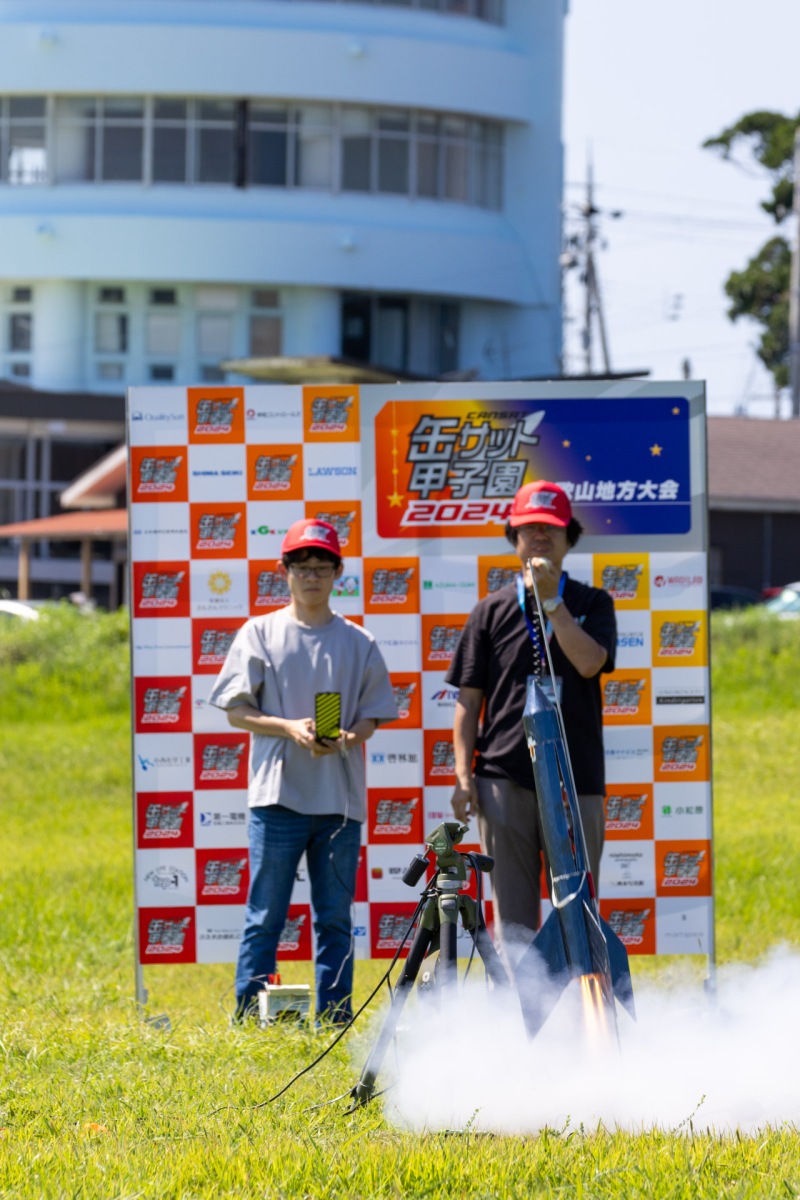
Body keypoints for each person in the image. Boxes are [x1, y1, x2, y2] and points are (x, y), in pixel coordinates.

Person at [209, 518, 397, 1022]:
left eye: (321, 566)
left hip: (339, 800)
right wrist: (288, 727)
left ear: (338, 572)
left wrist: (346, 737)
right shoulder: (260, 632)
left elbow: (374, 715)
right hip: (276, 798)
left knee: (335, 918)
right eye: (300, 566)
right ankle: (249, 1017)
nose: (311, 576)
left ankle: (335, 1019)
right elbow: (234, 710)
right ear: (284, 571)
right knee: (264, 916)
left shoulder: (359, 640)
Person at [446, 480, 616, 960]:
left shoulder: (592, 602)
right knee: (514, 924)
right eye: (529, 529)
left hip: (576, 780)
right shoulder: (490, 610)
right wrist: (463, 777)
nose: (539, 537)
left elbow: (588, 663)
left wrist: (553, 604)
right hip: (503, 780)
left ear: (569, 538)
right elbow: (468, 701)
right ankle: (521, 1025)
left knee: (579, 914)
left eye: (550, 529)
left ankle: (583, 1019)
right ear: (514, 538)